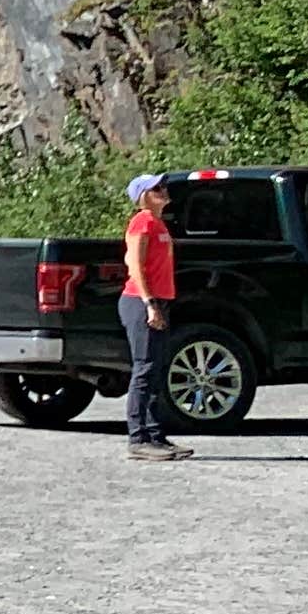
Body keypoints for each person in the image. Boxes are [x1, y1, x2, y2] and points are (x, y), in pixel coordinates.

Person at [122, 173, 188, 460]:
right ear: (143, 196)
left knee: (157, 369)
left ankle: (156, 435)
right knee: (144, 368)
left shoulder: (158, 223)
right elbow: (135, 265)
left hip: (158, 300)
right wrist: (150, 304)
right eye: (156, 188)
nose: (164, 191)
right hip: (141, 300)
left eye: (163, 186)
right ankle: (138, 439)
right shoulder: (142, 221)